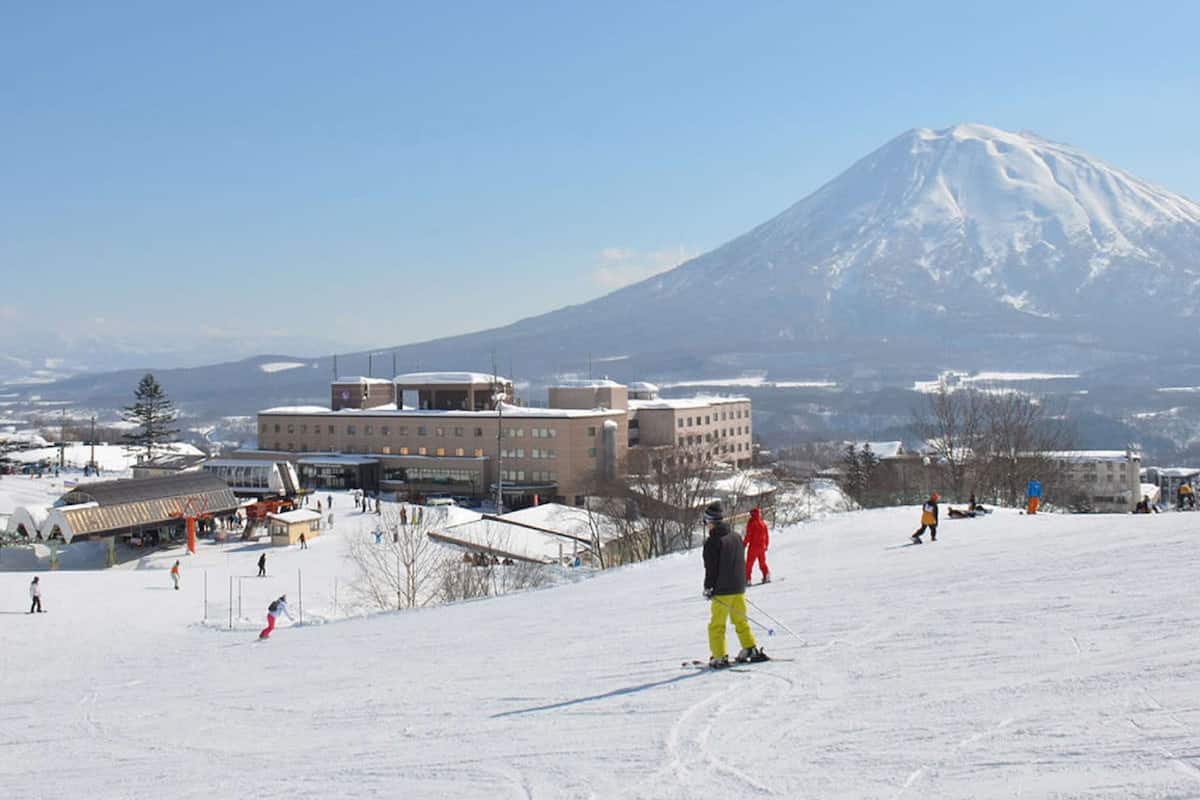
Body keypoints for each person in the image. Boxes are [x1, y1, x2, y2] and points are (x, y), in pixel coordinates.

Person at [702, 501, 767, 669]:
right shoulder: (736, 536)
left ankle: (719, 656)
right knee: (740, 620)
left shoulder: (712, 542)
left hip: (722, 590)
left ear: (711, 521)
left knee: (717, 625)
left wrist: (708, 587)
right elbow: (739, 561)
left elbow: (711, 569)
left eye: (706, 520)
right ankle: (750, 647)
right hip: (738, 587)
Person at [744, 507, 770, 584]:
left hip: (753, 547)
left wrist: (744, 543)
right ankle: (766, 575)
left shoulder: (751, 523)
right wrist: (766, 545)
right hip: (762, 547)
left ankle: (747, 579)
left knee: (749, 564)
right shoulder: (763, 523)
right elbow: (767, 536)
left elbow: (748, 535)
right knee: (762, 562)